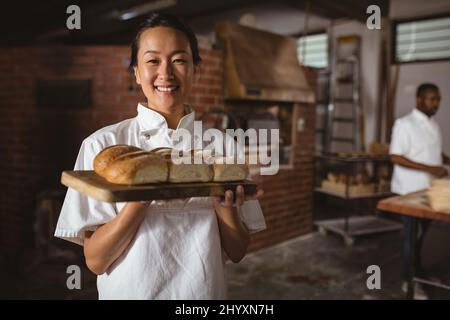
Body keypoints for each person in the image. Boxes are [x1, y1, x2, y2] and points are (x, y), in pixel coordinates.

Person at [54, 13, 266, 299]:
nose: (166, 73)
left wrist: (224, 205)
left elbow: (237, 252)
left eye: (179, 60)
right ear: (137, 72)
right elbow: (95, 261)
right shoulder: (102, 145)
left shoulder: (224, 148)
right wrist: (138, 201)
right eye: (153, 61)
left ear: (195, 70)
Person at [389, 83, 450, 299]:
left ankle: (419, 272)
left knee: (423, 235)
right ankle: (409, 280)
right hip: (409, 191)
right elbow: (395, 156)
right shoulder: (404, 124)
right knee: (410, 236)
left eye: (438, 99)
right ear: (418, 99)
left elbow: (432, 151)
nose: (436, 104)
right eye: (432, 99)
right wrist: (430, 168)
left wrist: (445, 160)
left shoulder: (433, 125)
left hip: (428, 189)